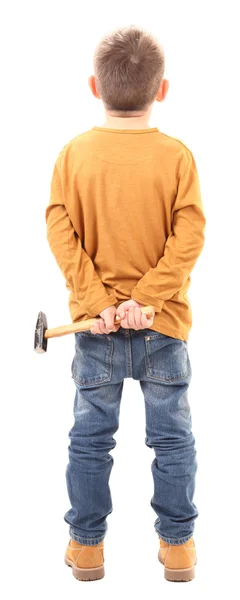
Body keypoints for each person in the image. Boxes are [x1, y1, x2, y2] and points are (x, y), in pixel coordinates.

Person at [45, 25, 206, 583]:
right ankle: (179, 547)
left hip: (96, 329)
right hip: (164, 328)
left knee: (90, 440)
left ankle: (86, 548)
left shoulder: (74, 155)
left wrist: (102, 301)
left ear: (95, 86)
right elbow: (190, 238)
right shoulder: (176, 157)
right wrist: (146, 299)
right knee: (172, 438)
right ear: (161, 90)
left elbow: (58, 229)